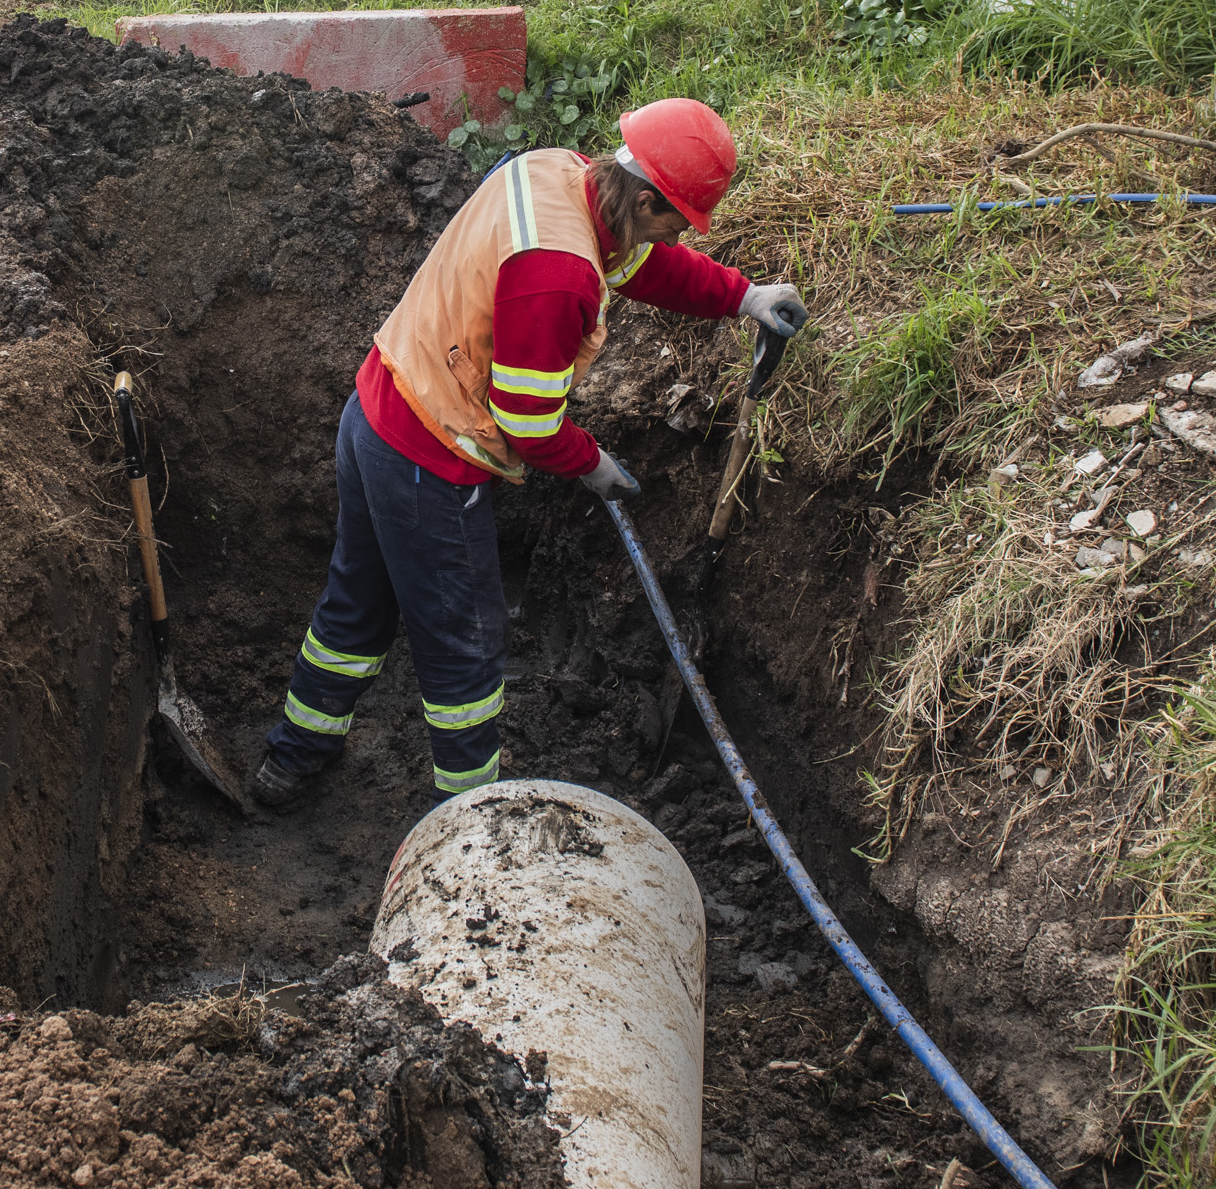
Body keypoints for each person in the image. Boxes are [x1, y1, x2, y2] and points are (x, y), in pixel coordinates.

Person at [250, 99, 810, 809]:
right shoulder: (557, 275)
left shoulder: (554, 174)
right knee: (464, 648)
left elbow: (639, 264)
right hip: (432, 455)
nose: (678, 236)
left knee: (356, 603)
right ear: (644, 198)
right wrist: (590, 464)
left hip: (377, 408)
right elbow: (527, 424)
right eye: (679, 220)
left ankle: (291, 761)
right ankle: (469, 820)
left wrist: (741, 296)